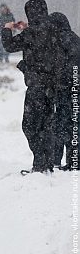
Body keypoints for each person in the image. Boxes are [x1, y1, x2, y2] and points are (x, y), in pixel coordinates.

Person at [2, 0, 63, 174]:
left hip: (37, 87)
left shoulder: (32, 33)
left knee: (29, 125)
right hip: (52, 87)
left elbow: (9, 45)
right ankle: (46, 164)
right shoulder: (55, 30)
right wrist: (28, 28)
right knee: (47, 125)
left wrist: (7, 29)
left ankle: (40, 162)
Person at [50, 12, 80, 170]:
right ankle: (74, 161)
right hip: (76, 89)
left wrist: (60, 83)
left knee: (59, 125)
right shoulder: (76, 39)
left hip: (64, 89)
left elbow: (62, 66)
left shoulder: (58, 41)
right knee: (75, 125)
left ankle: (55, 161)